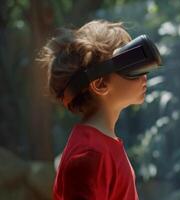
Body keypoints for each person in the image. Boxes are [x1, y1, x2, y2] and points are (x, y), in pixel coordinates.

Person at [39, 20, 147, 200]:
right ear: (100, 84)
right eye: (131, 64)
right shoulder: (89, 155)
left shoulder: (101, 144)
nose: (144, 73)